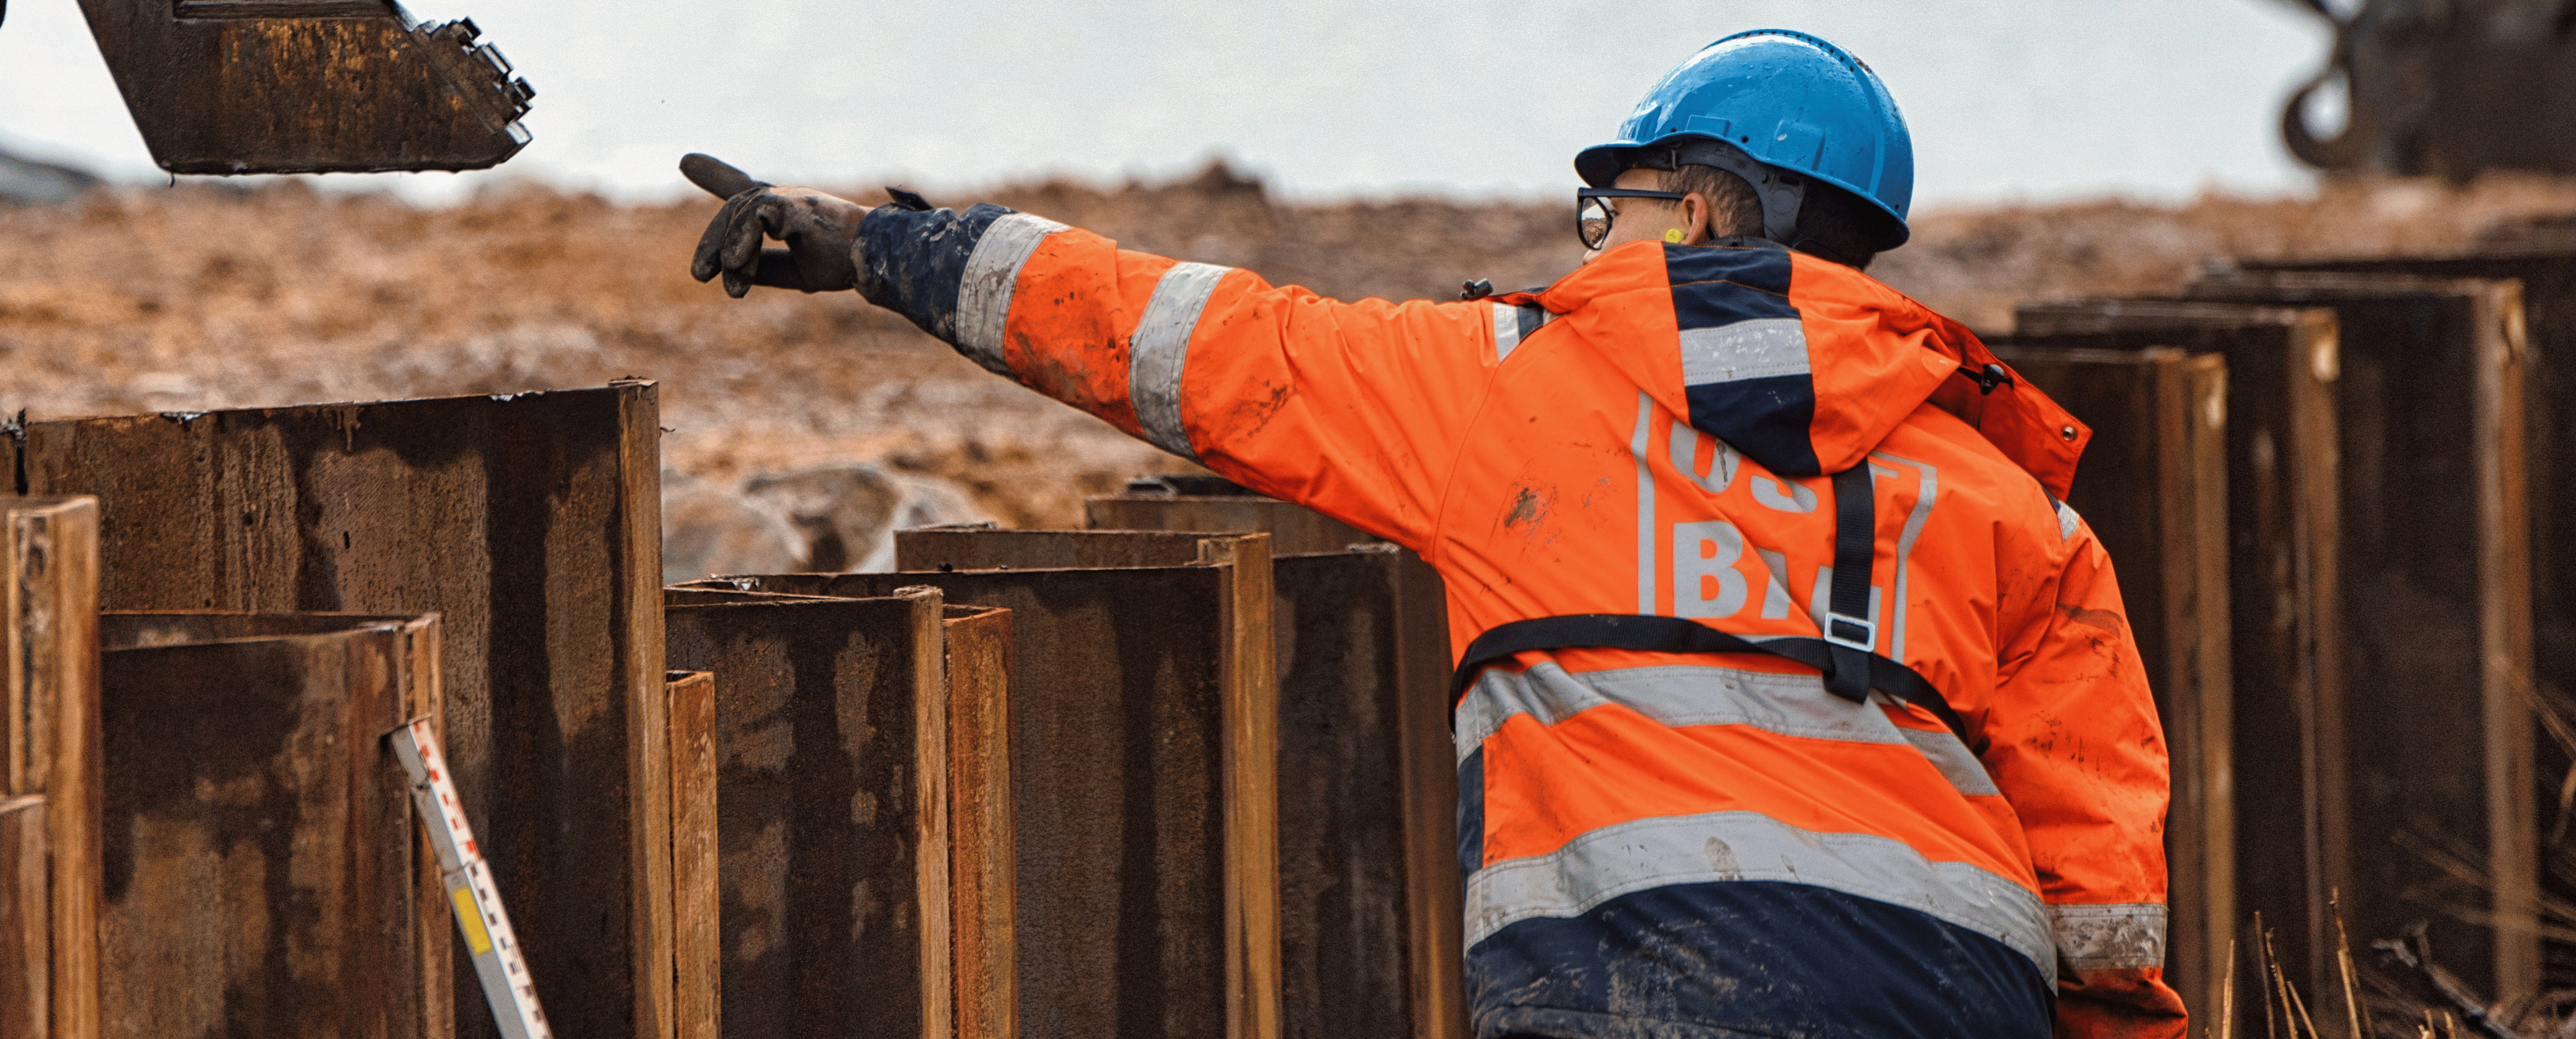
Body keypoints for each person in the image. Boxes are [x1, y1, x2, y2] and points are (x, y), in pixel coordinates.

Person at [684, 27, 2183, 1039]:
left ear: (1716, 219)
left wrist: (881, 246)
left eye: (1628, 211)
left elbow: (1189, 341)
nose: (1599, 241)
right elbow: (2101, 896)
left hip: (1625, 994)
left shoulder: (1504, 393)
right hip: (1950, 1002)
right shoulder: (2010, 506)